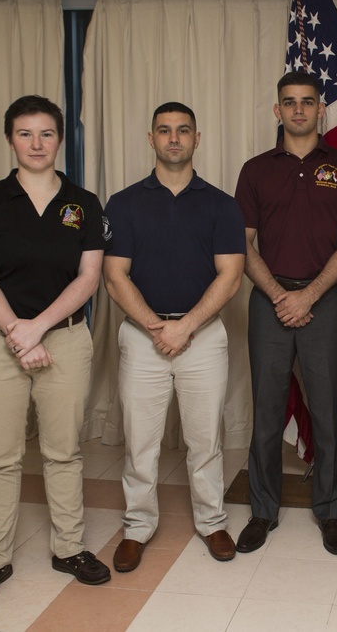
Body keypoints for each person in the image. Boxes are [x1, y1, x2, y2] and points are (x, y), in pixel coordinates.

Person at [0, 95, 112, 608]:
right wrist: (16, 334)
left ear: (59, 139)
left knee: (63, 450)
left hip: (64, 340)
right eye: (26, 134)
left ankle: (68, 549)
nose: (37, 143)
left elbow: (89, 277)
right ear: (9, 140)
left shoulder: (84, 202)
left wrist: (39, 329)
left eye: (46, 133)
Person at [103, 102, 246, 572]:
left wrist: (185, 327)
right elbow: (114, 276)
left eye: (183, 131)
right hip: (143, 338)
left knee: (205, 439)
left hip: (203, 338)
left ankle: (211, 521)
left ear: (196, 139)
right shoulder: (123, 204)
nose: (174, 139)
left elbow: (231, 275)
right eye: (164, 131)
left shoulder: (222, 204)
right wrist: (154, 326)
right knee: (139, 441)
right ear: (151, 139)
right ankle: (137, 527)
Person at [233, 71, 337, 555]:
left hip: (323, 301)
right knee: (266, 413)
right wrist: (278, 295)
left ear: (320, 108)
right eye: (288, 102)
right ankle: (262, 511)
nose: (297, 110)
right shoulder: (255, 170)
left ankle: (330, 511)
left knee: (327, 410)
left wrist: (308, 295)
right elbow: (242, 245)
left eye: (307, 102)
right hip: (269, 302)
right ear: (277, 111)